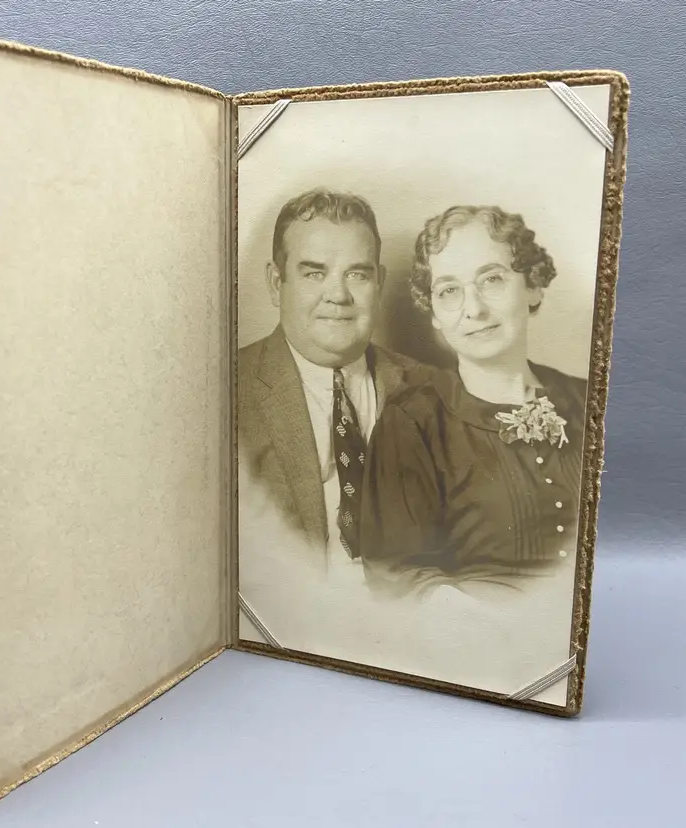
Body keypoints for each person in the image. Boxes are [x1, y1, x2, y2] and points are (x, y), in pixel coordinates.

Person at [360, 205, 588, 594]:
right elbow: (399, 580)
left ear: (532, 286)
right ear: (434, 312)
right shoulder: (413, 424)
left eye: (492, 279)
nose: (475, 310)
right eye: (449, 290)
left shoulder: (590, 401)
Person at [238, 188, 433, 567]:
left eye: (357, 274)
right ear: (276, 283)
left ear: (379, 283)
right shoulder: (228, 392)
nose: (338, 295)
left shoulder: (431, 389)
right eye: (315, 273)